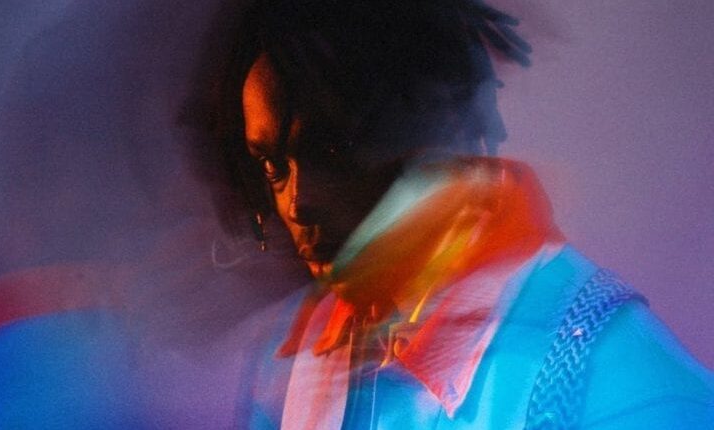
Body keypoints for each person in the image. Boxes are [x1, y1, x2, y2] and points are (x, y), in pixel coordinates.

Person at [183, 0, 714, 428]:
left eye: (332, 152)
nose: (298, 202)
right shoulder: (294, 363)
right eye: (273, 166)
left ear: (435, 126)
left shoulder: (613, 380)